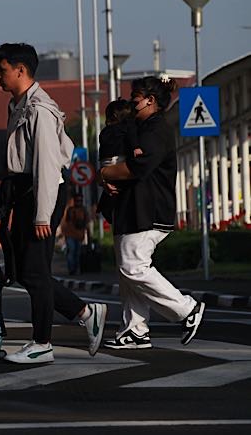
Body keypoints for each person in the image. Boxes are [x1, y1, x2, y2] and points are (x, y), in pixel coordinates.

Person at [0, 43, 107, 364]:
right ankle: (85, 313)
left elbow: (46, 165)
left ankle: (43, 342)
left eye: (2, 70)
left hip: (41, 193)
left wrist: (43, 215)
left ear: (20, 70)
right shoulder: (18, 106)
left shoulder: (39, 110)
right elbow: (16, 158)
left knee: (35, 271)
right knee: (22, 270)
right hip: (22, 191)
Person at [99, 76, 205, 350]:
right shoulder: (140, 126)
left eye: (135, 98)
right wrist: (106, 176)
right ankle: (135, 330)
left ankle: (186, 309)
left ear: (150, 100)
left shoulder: (156, 129)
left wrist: (105, 173)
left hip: (149, 210)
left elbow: (138, 167)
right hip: (131, 209)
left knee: (133, 266)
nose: (131, 102)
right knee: (127, 272)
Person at [97, 99, 140, 224]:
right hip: (119, 162)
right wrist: (135, 147)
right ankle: (108, 209)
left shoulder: (105, 131)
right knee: (120, 187)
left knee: (111, 189)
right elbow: (132, 137)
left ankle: (106, 209)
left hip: (105, 163)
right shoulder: (128, 126)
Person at [60, 193, 88, 275]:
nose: (79, 202)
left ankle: (76, 268)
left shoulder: (83, 210)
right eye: (77, 200)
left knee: (77, 252)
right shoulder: (70, 210)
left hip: (79, 235)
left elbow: (86, 223)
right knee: (71, 251)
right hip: (70, 234)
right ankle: (71, 269)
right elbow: (65, 221)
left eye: (80, 200)